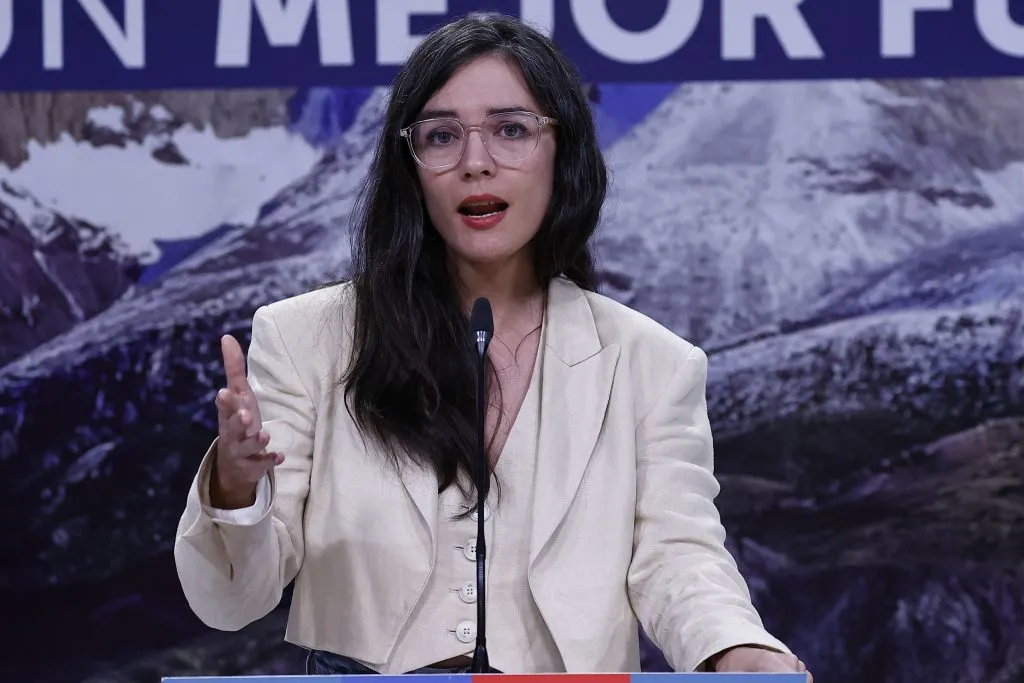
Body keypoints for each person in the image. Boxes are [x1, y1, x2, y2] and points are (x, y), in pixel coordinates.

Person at [174, 11, 812, 680]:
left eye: (511, 130)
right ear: (409, 166)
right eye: (442, 136)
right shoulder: (307, 339)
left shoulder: (651, 363)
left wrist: (735, 647)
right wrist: (236, 485)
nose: (475, 163)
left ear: (563, 151)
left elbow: (677, 557)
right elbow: (232, 600)